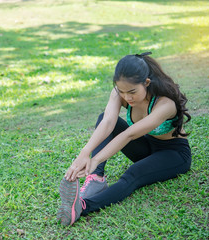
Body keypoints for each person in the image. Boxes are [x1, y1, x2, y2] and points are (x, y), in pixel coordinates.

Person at [57, 52, 192, 226]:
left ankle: (82, 207)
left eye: (132, 92)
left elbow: (129, 134)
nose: (127, 97)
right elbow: (107, 123)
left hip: (173, 154)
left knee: (132, 174)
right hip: (145, 147)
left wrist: (96, 159)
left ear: (147, 83)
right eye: (122, 91)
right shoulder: (120, 94)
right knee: (102, 118)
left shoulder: (165, 104)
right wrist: (85, 153)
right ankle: (97, 180)